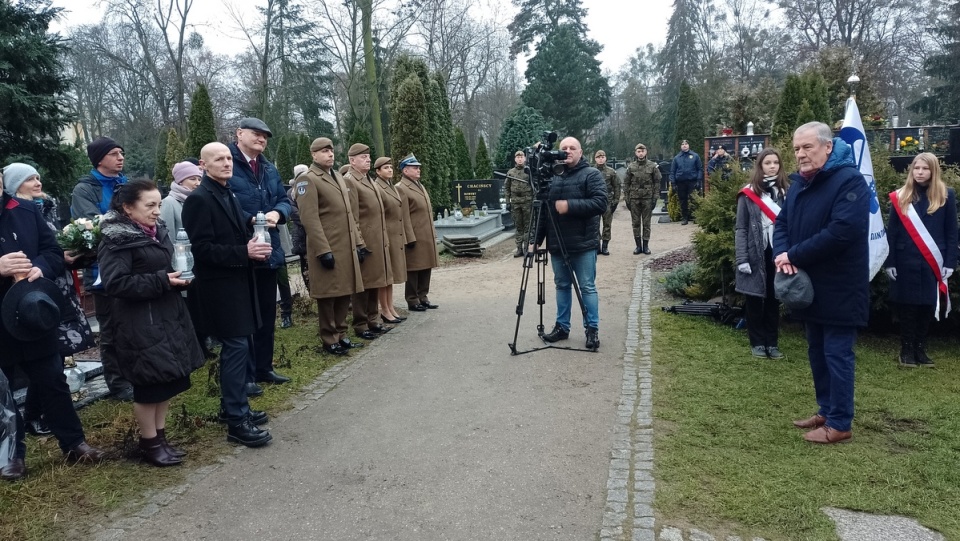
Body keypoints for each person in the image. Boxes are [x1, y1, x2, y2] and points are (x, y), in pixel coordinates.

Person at [1, 167, 106, 481]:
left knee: (52, 380)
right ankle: (10, 456)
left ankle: (74, 443)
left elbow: (52, 251)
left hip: (32, 311)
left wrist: (39, 267)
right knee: (2, 392)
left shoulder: (24, 209)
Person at [773, 121, 870, 445]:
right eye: (797, 148)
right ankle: (826, 410)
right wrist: (782, 252)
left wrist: (794, 254)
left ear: (828, 147)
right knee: (817, 351)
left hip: (840, 285)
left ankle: (840, 422)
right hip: (811, 286)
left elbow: (842, 231)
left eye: (807, 147)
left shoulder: (849, 181)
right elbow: (782, 222)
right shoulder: (801, 182)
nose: (800, 154)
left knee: (837, 354)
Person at [98, 180, 205, 466]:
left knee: (167, 381)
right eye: (150, 205)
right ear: (127, 208)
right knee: (149, 386)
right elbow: (115, 283)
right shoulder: (116, 239)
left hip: (165, 315)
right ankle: (149, 443)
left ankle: (161, 437)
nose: (157, 211)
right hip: (138, 322)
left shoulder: (155, 232)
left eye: (159, 204)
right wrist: (162, 280)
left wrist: (178, 276)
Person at [181, 142, 274, 448]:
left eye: (227, 158)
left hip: (239, 281)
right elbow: (202, 249)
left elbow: (237, 236)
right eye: (218, 159)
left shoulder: (227, 192)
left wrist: (254, 247)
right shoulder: (198, 199)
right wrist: (243, 251)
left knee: (243, 345)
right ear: (202, 165)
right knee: (235, 348)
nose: (226, 163)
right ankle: (237, 421)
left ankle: (231, 407)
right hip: (219, 288)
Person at [227, 117, 292, 387]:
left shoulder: (268, 168)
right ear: (239, 133)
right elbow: (224, 202)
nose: (262, 139)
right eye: (256, 134)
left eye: (265, 136)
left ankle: (264, 367)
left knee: (267, 313)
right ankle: (248, 374)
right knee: (246, 318)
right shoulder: (227, 163)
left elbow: (284, 199)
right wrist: (250, 219)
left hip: (269, 249)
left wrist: (279, 212)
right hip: (241, 251)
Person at [71, 136, 133, 400]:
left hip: (133, 265)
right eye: (114, 154)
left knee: (133, 325)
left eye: (121, 152)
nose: (120, 157)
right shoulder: (84, 190)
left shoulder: (126, 184)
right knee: (111, 330)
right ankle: (118, 383)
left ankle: (136, 375)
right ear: (99, 160)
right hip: (103, 270)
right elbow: (92, 227)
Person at [532, 137, 607, 351]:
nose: (567, 151)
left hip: (583, 243)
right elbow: (544, 212)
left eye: (572, 148)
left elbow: (601, 203)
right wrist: (535, 241)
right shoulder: (551, 178)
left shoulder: (591, 174)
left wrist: (569, 206)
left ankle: (591, 329)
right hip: (557, 243)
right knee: (562, 286)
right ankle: (562, 327)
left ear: (581, 152)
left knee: (587, 287)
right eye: (563, 148)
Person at [884, 152, 958, 367]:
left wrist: (950, 262)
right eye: (916, 168)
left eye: (925, 169)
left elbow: (952, 232)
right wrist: (890, 261)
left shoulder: (946, 195)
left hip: (932, 260)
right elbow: (893, 232)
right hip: (905, 259)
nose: (920, 172)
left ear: (933, 171)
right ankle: (906, 349)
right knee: (908, 306)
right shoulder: (901, 196)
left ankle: (920, 348)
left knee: (927, 305)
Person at [294, 137, 365, 356]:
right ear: (313, 155)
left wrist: (358, 242)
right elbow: (310, 219)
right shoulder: (308, 179)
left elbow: (349, 213)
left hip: (345, 246)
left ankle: (342, 334)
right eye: (324, 151)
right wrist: (323, 250)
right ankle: (329, 337)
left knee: (345, 290)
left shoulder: (337, 177)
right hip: (327, 246)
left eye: (332, 151)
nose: (330, 154)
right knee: (328, 294)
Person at [734, 148, 790, 359]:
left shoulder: (786, 192)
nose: (772, 166)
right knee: (755, 300)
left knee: (774, 299)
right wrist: (742, 258)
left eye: (776, 162)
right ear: (760, 166)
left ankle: (772, 342)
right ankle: (757, 342)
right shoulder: (748, 194)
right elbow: (741, 228)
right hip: (754, 253)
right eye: (768, 163)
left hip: (778, 252)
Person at [343, 143, 391, 339]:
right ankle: (361, 324)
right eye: (363, 157)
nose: (368, 159)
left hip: (377, 239)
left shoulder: (367, 179)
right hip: (364, 241)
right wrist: (359, 243)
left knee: (375, 281)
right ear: (352, 161)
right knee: (363, 285)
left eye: (369, 156)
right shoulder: (350, 181)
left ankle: (374, 319)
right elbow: (352, 216)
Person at [396, 154, 440, 311]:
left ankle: (423, 296)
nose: (418, 169)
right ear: (405, 170)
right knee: (414, 268)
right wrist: (409, 236)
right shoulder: (401, 188)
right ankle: (412, 299)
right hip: (414, 234)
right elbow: (404, 215)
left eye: (418, 167)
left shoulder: (419, 185)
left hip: (425, 233)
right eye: (415, 167)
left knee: (426, 266)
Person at [372, 157, 413, 324]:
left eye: (390, 167)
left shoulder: (391, 186)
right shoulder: (378, 187)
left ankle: (390, 307)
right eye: (385, 168)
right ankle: (384, 309)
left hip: (395, 235)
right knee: (384, 276)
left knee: (391, 275)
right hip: (386, 235)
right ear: (378, 171)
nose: (390, 170)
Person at [622, 143, 662, 255]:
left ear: (646, 152)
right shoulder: (631, 167)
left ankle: (646, 246)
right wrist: (627, 198)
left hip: (647, 198)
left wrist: (655, 197)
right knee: (635, 223)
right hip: (634, 198)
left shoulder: (652, 166)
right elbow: (626, 183)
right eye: (638, 151)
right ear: (635, 153)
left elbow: (657, 182)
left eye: (642, 151)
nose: (641, 153)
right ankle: (638, 246)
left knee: (646, 223)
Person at [160, 161, 202, 234]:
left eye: (199, 179)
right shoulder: (169, 202)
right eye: (192, 179)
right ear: (180, 181)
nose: (198, 183)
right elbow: (167, 234)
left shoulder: (200, 201)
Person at [505, 150, 532, 257]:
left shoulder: (529, 171)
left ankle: (526, 248)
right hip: (516, 203)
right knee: (518, 226)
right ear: (515, 159)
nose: (520, 159)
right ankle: (519, 248)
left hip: (527, 202)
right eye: (518, 157)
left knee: (527, 226)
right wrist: (508, 201)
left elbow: (534, 187)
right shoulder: (511, 172)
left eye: (522, 157)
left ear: (525, 159)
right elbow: (507, 188)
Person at [287, 164, 310, 292]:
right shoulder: (291, 192)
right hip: (301, 234)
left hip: (316, 232)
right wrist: (311, 221)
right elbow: (294, 213)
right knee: (305, 263)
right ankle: (310, 290)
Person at [593, 150, 621, 256]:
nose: (601, 159)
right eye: (598, 157)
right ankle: (597, 246)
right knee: (595, 225)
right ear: (595, 159)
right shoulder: (591, 171)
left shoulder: (611, 172)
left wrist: (615, 201)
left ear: (605, 158)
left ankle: (605, 246)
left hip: (607, 202)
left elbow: (617, 187)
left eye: (602, 157)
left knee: (607, 225)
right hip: (594, 202)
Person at [669, 139, 703, 225]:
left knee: (694, 200)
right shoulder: (677, 158)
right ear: (680, 146)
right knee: (683, 200)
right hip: (681, 182)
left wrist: (699, 180)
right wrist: (673, 183)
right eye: (682, 144)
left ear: (689, 145)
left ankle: (696, 217)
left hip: (692, 181)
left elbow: (700, 169)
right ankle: (685, 218)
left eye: (686, 144)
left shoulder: (695, 156)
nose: (684, 145)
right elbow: (672, 171)